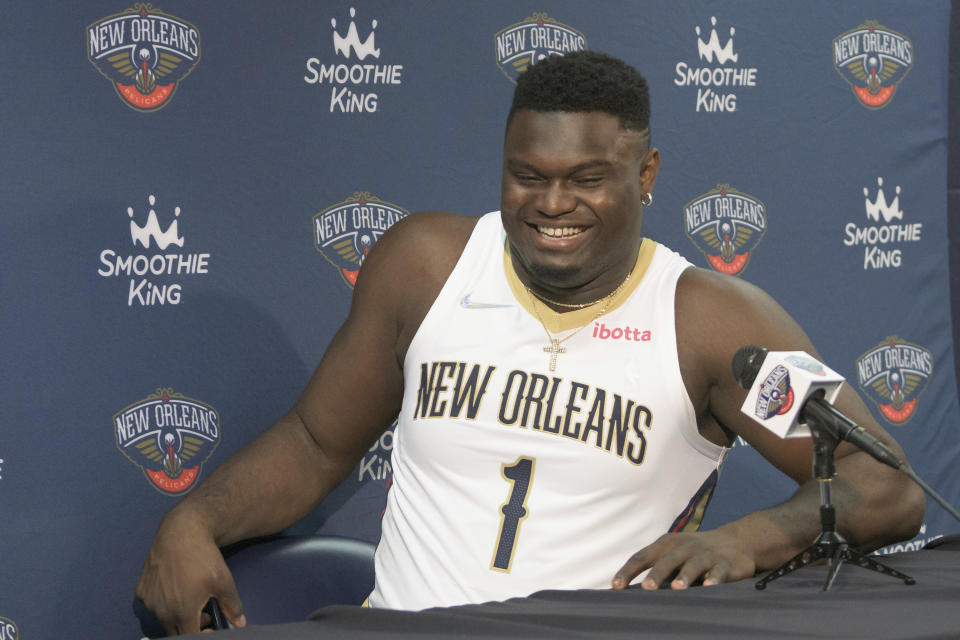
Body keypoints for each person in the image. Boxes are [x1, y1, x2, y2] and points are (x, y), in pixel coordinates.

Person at [136, 50, 924, 634]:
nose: (551, 205)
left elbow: (885, 486)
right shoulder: (427, 266)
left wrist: (748, 538)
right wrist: (194, 520)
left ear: (646, 173)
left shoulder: (713, 323)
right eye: (526, 175)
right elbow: (313, 445)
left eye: (587, 178)